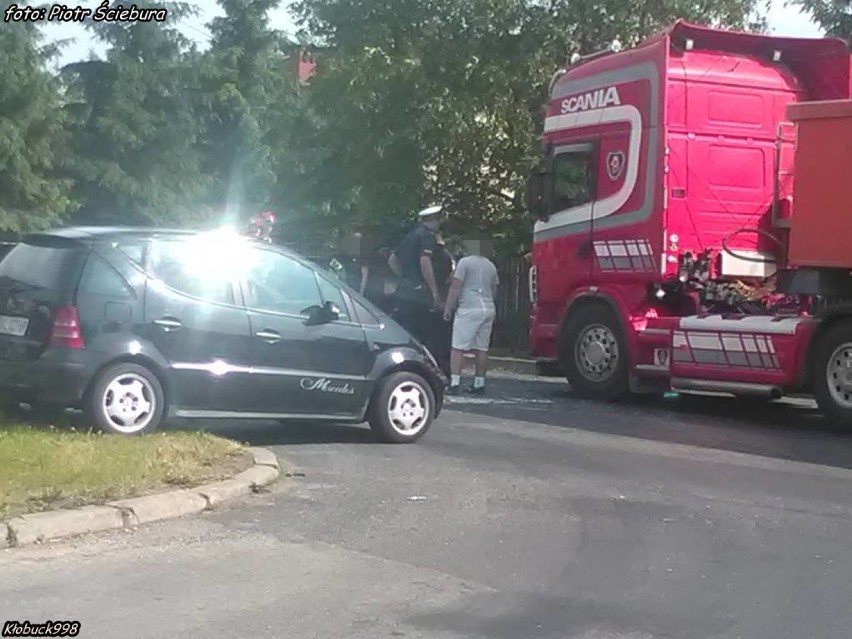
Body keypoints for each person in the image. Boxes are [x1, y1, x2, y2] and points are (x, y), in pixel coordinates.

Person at [387, 204, 449, 373]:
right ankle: (427, 371)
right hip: (422, 293)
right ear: (433, 220)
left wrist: (406, 276)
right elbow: (425, 262)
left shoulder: (409, 236)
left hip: (405, 289)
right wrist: (435, 291)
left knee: (408, 332)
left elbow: (392, 260)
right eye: (438, 219)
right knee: (427, 334)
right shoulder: (427, 236)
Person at [443, 238, 499, 394]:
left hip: (469, 307)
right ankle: (479, 383)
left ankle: (454, 383)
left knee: (458, 347)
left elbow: (456, 286)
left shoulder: (464, 263)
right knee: (481, 348)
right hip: (487, 308)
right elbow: (494, 289)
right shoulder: (491, 266)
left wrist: (449, 307)